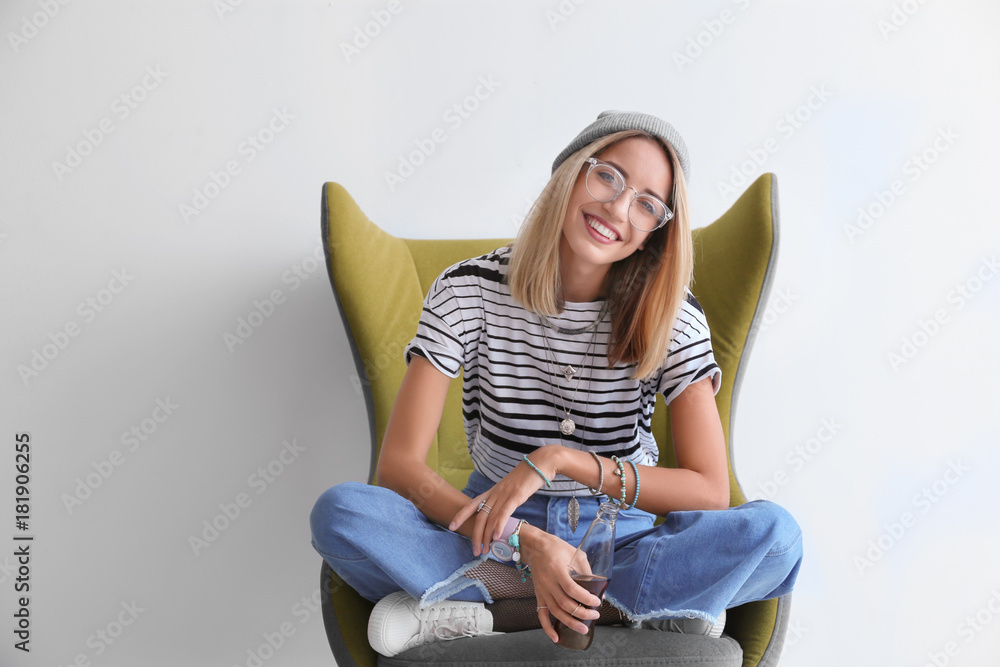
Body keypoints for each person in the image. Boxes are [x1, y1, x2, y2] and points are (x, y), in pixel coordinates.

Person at [310, 110, 802, 657]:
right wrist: (525, 542)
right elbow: (400, 466)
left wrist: (563, 460)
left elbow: (709, 489)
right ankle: (624, 610)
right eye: (608, 176)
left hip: (625, 538)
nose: (617, 208)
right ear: (570, 173)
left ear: (656, 232)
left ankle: (488, 611)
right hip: (489, 528)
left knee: (776, 539)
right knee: (343, 513)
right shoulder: (465, 290)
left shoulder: (674, 317)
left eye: (646, 203)